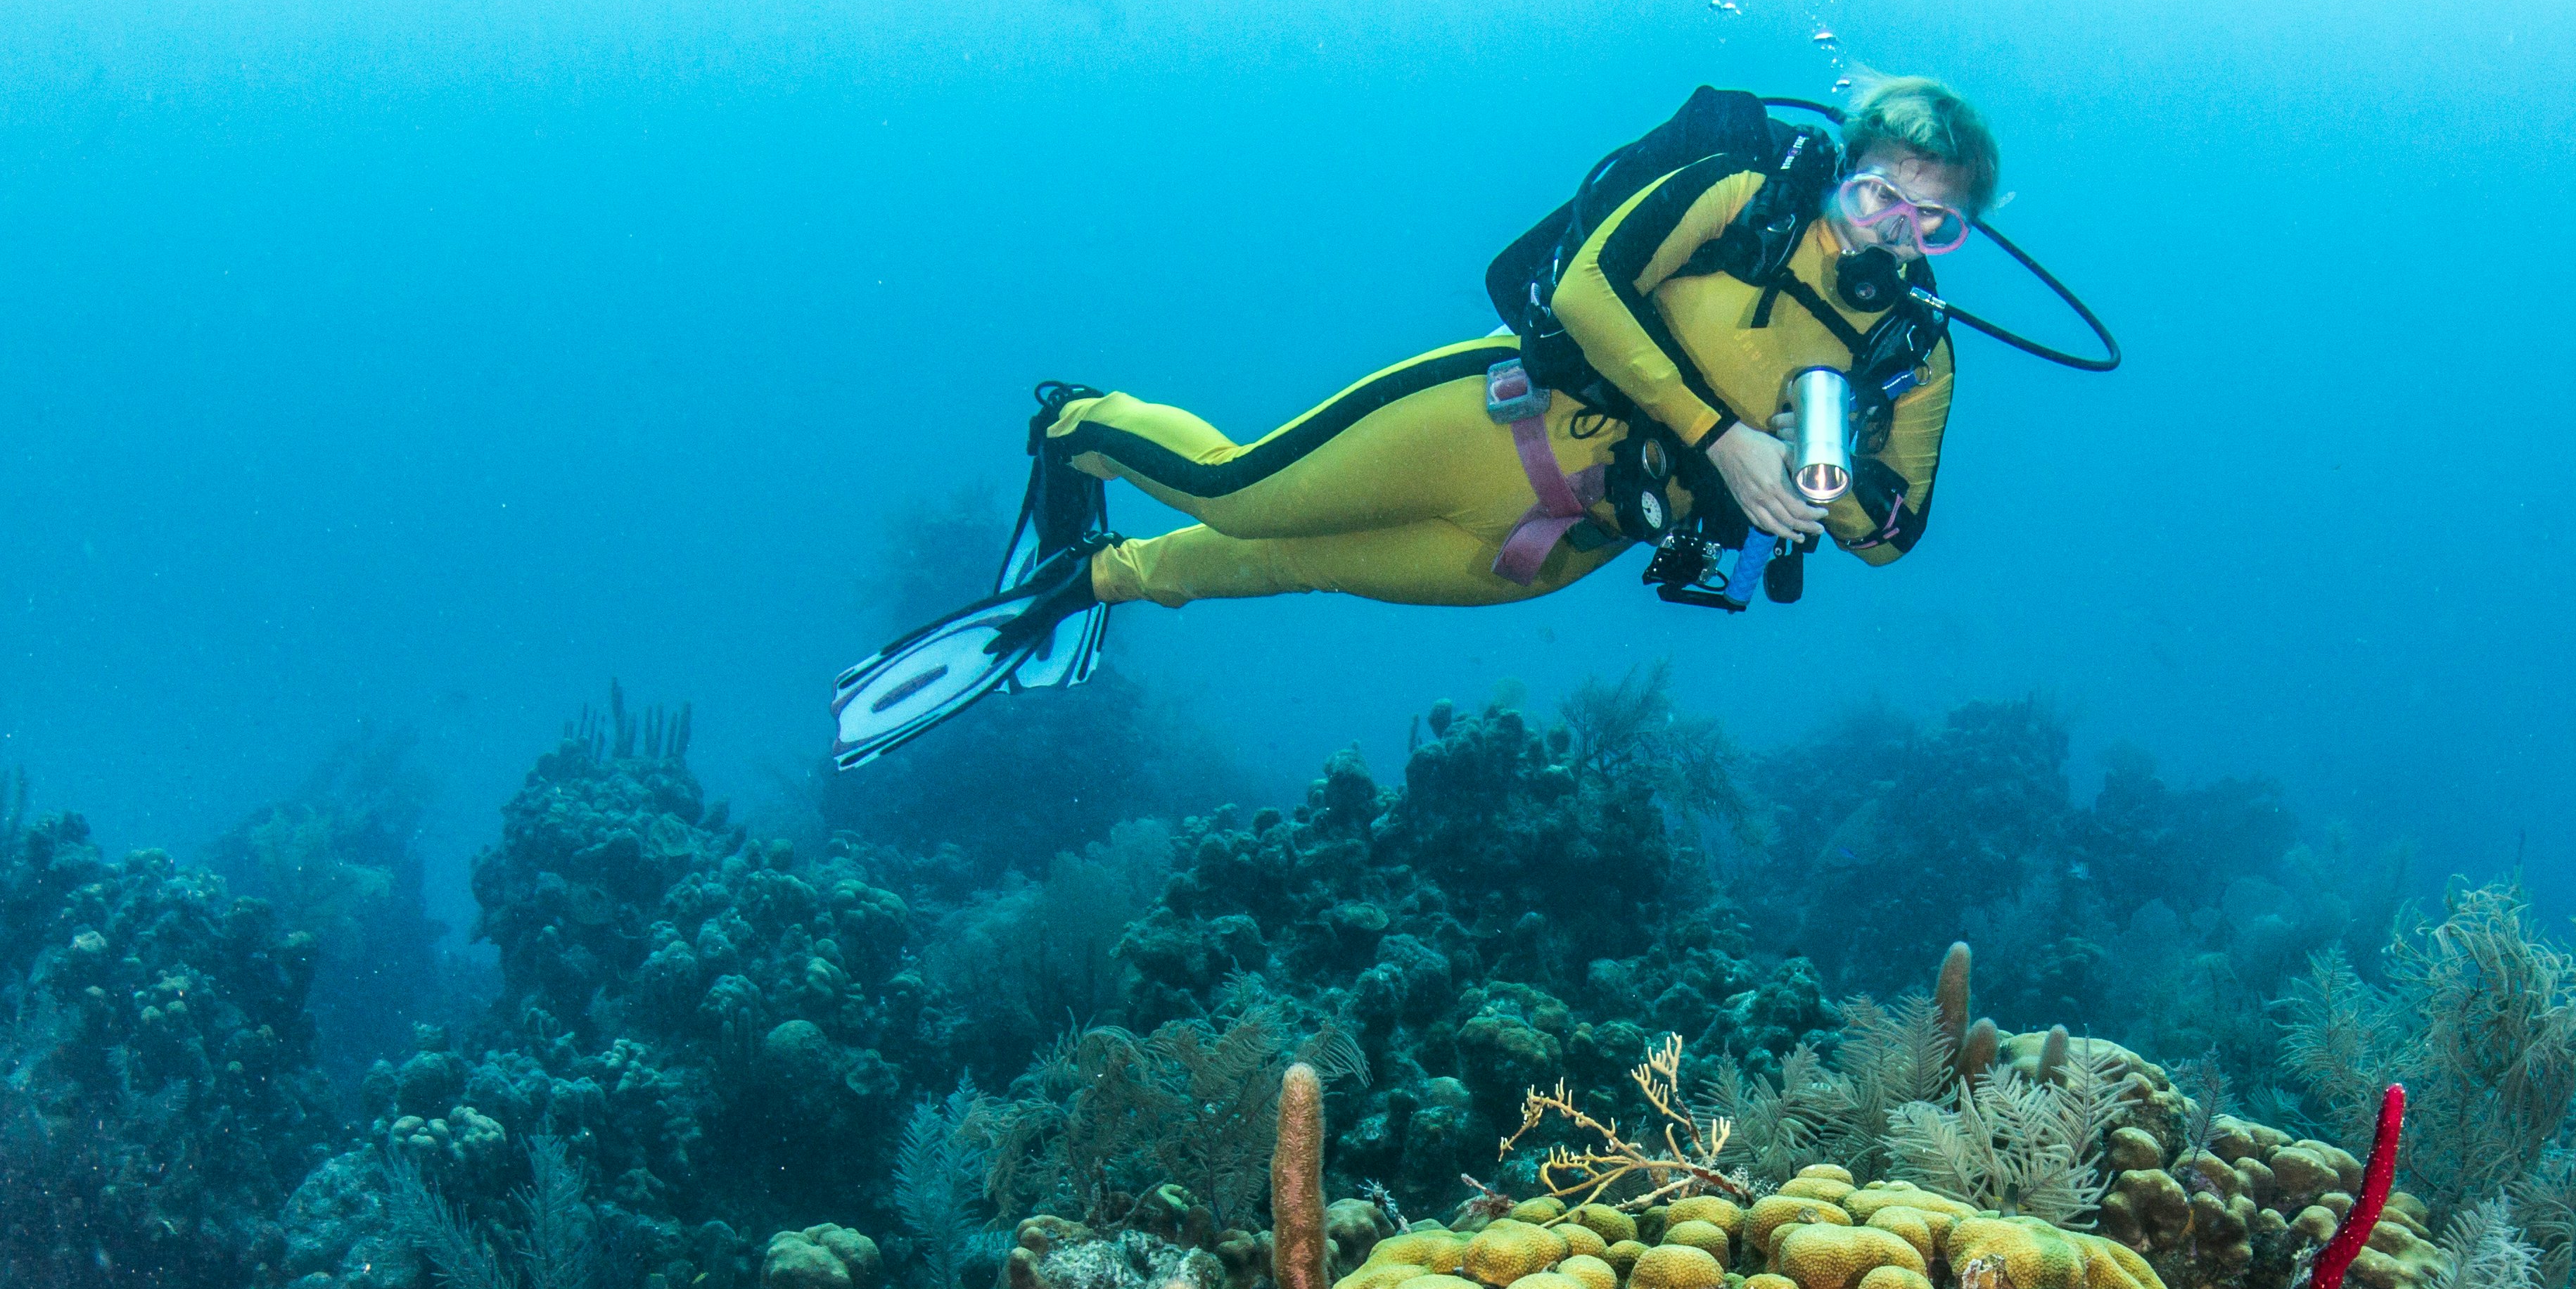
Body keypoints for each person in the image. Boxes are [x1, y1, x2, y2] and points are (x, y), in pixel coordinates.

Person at [833, 78, 1997, 766]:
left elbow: (1892, 541)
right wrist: (1723, 438)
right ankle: (1078, 425)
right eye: (1880, 194)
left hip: (1556, 549)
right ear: (1844, 175)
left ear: (1956, 239)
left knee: (1287, 563)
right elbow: (1590, 286)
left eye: (1932, 222)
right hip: (1494, 422)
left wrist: (1830, 487)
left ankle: (1100, 579)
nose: (1895, 230)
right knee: (1243, 492)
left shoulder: (1914, 354)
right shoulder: (1747, 198)